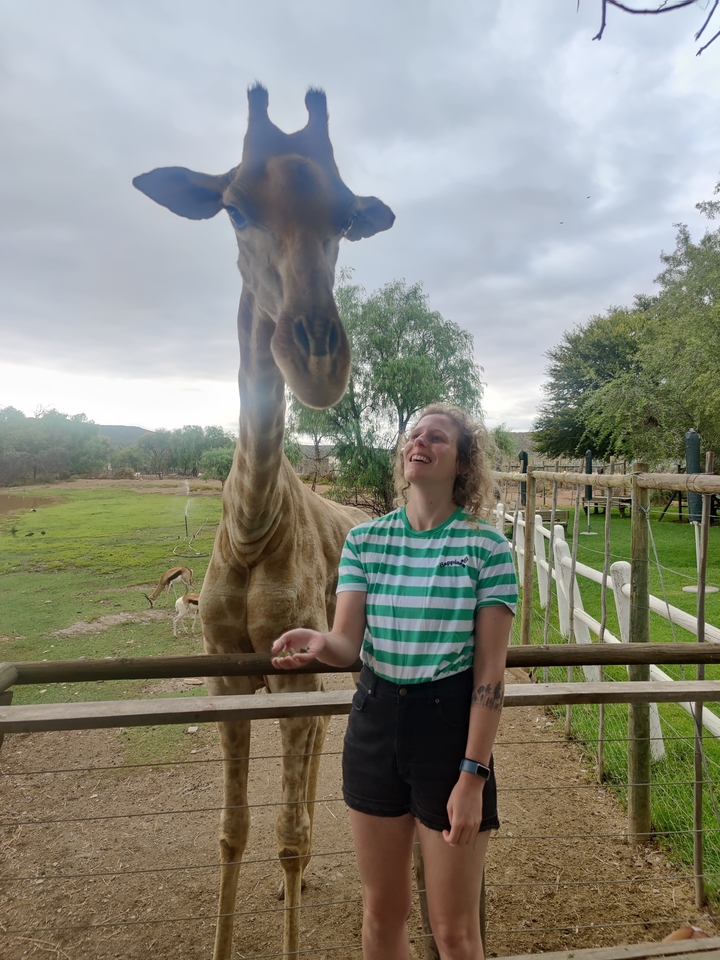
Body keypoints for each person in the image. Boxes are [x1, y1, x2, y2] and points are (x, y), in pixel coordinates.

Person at [271, 403, 518, 960]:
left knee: (454, 930)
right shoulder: (366, 541)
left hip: (449, 733)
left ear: (463, 464)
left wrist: (473, 777)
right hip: (375, 724)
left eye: (437, 438)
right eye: (414, 435)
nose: (419, 442)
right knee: (382, 913)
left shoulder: (487, 548)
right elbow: (346, 643)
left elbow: (489, 675)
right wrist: (318, 642)